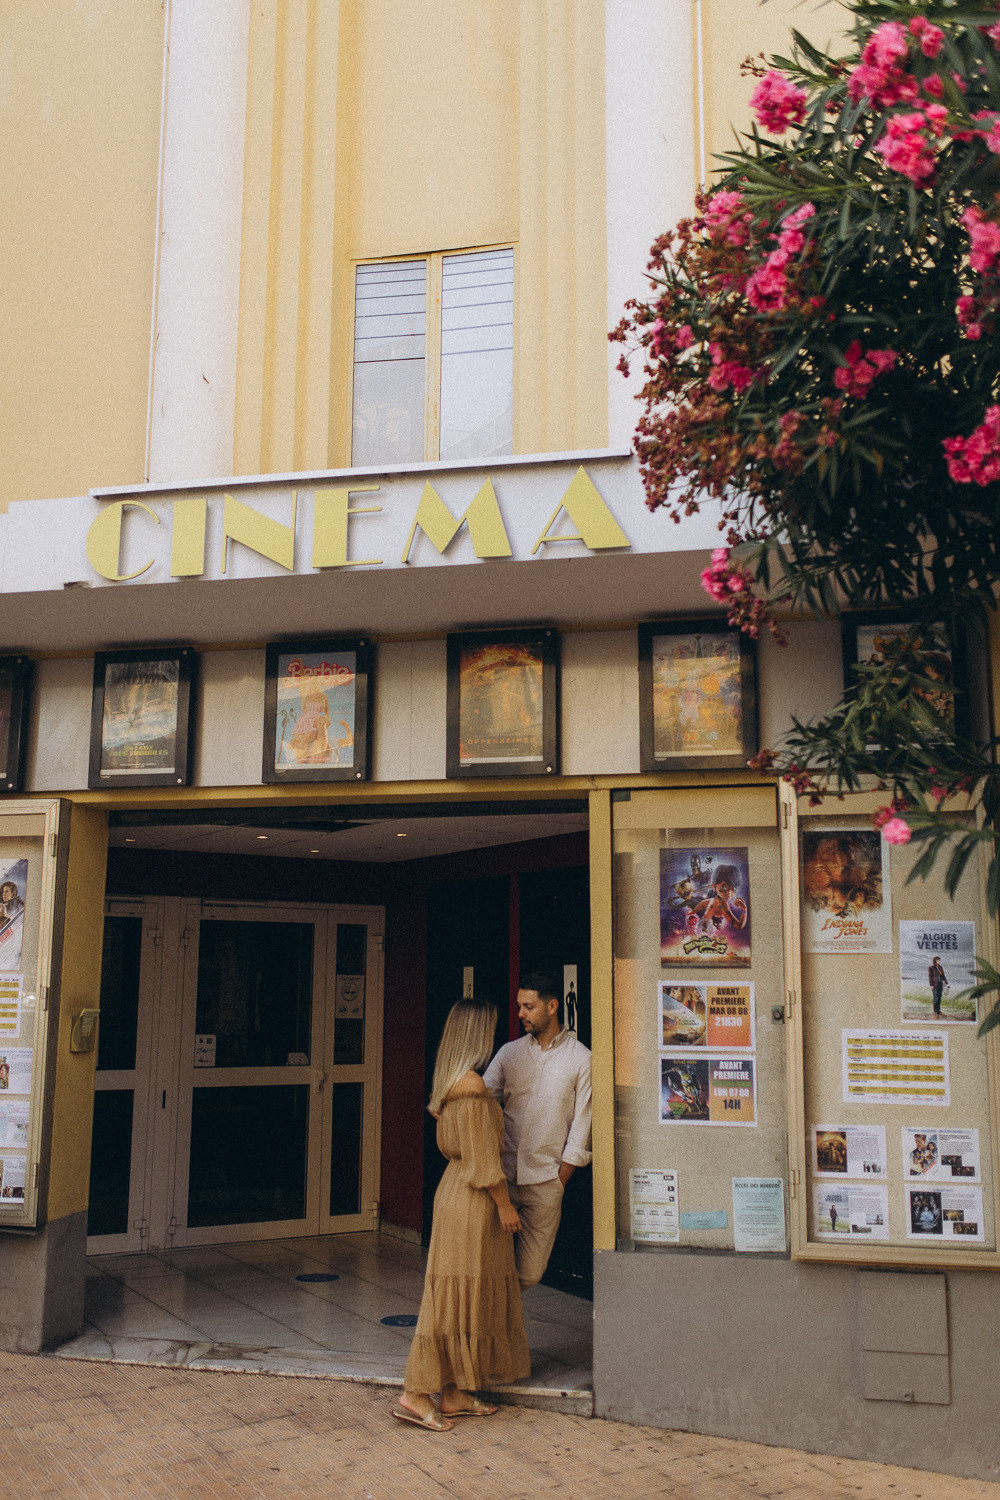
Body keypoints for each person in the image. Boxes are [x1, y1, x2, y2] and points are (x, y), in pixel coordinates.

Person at [394, 997, 529, 1433]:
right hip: (474, 1197)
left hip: (456, 1191)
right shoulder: (471, 1087)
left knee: (461, 1291)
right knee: (457, 1294)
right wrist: (505, 1206)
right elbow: (484, 1160)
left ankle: (453, 1392)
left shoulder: (451, 1083)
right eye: (488, 1029)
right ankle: (416, 1393)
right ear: (476, 1035)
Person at [483, 972, 592, 1291]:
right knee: (486, 1265)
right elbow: (482, 1101)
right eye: (519, 1006)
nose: (520, 1014)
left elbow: (582, 1124)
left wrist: (561, 1178)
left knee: (529, 1273)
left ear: (552, 1006)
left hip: (546, 1182)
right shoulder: (509, 1053)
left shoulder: (581, 1059)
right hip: (501, 1179)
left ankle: (502, 1327)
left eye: (528, 1006)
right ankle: (497, 1335)